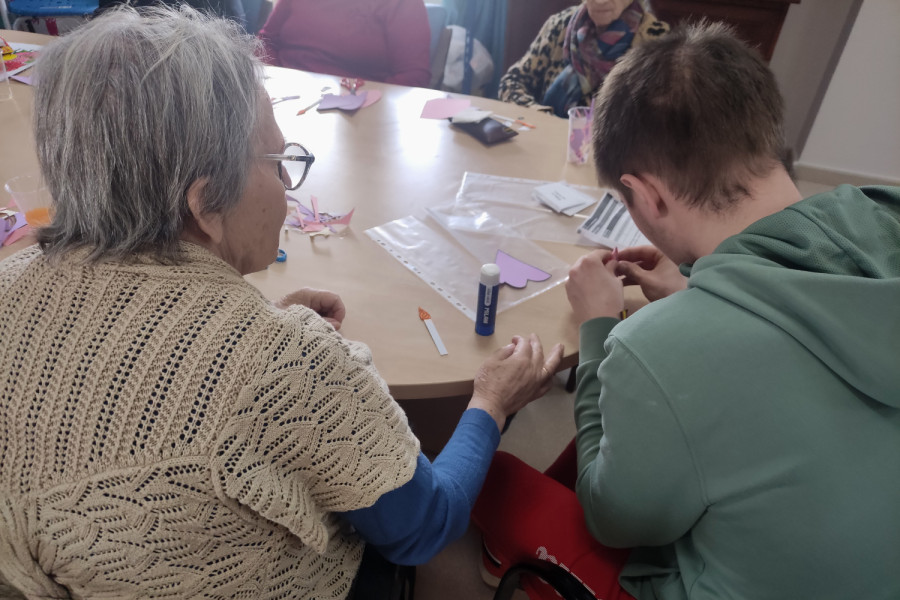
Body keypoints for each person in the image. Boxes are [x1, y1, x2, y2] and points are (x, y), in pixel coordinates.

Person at [0, 7, 564, 599]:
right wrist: (491, 402)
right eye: (277, 162)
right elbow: (424, 526)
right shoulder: (287, 363)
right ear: (204, 205)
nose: (289, 189)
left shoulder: (12, 285)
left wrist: (260, 328)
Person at [474, 21, 900, 600]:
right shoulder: (881, 212)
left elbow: (612, 518)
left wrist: (602, 328)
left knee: (491, 476)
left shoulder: (655, 350)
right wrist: (698, 285)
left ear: (646, 195)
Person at [498, 0, 668, 118]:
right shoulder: (559, 24)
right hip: (546, 146)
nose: (600, 1)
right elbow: (512, 82)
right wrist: (543, 117)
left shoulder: (658, 42)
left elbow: (658, 124)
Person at [258, 0, 431, 87]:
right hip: (285, 93)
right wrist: (274, 80)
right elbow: (265, 43)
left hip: (356, 107)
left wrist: (362, 96)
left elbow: (413, 75)